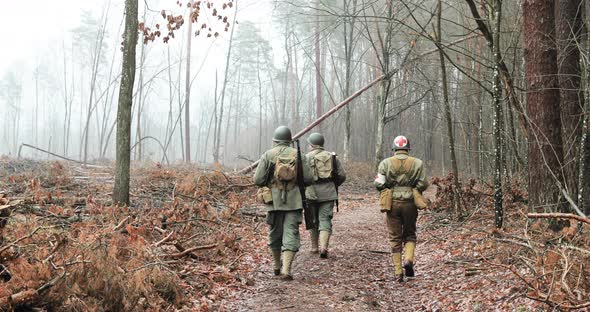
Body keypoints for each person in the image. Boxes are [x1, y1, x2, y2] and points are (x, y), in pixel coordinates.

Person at [254, 126, 313, 281]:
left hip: (273, 202)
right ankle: (287, 270)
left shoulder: (268, 154)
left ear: (275, 140)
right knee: (291, 232)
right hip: (294, 201)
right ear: (289, 140)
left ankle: (276, 266)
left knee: (275, 232)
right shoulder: (299, 155)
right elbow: (309, 179)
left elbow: (258, 180)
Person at [374, 135, 428, 282]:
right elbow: (423, 183)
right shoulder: (418, 163)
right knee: (410, 234)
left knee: (394, 237)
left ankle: (398, 272)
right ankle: (408, 260)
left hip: (392, 202)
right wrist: (414, 189)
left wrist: (389, 188)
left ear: (394, 149)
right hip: (410, 202)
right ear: (408, 149)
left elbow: (379, 184)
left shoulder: (385, 163)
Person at [305, 132, 346, 258]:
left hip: (310, 193)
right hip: (328, 192)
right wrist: (333, 185)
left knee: (312, 220)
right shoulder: (332, 157)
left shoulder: (305, 157)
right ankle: (324, 248)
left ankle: (314, 248)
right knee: (325, 219)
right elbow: (342, 176)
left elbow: (301, 177)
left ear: (311, 144)